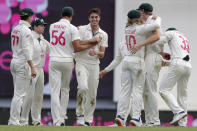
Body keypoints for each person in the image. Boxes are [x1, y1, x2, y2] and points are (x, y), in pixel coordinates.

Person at [100, 10, 160, 127]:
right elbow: (157, 26)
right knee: (137, 91)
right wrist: (155, 18)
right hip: (137, 62)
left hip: (126, 62)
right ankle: (136, 118)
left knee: (125, 92)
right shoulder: (140, 28)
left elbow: (118, 59)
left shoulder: (127, 29)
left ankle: (121, 117)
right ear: (138, 18)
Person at [49, 6, 101, 126]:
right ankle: (62, 117)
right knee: (65, 90)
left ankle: (57, 121)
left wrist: (90, 41)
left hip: (54, 60)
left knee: (55, 91)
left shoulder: (52, 26)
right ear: (71, 16)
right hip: (67, 60)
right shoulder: (72, 28)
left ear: (61, 15)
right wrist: (92, 42)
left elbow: (75, 44)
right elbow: (77, 47)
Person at [130, 3, 169, 126]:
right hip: (151, 56)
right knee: (146, 90)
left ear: (142, 11)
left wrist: (141, 45)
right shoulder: (147, 21)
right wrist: (162, 53)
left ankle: (155, 121)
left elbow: (157, 36)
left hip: (152, 57)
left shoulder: (152, 20)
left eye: (139, 12)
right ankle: (149, 120)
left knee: (150, 89)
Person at [75, 8, 108, 126]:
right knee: (83, 87)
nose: (94, 19)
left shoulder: (103, 34)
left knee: (92, 94)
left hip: (94, 65)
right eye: (92, 17)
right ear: (89, 18)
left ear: (99, 18)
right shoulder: (82, 29)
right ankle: (80, 114)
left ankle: (88, 120)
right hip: (81, 62)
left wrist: (97, 53)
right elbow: (77, 45)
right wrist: (92, 40)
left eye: (96, 17)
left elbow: (102, 54)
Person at [153, 28, 191, 126]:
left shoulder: (170, 33)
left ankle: (178, 111)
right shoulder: (183, 36)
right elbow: (182, 59)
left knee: (163, 90)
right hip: (188, 66)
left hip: (178, 64)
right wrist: (168, 64)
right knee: (183, 95)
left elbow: (159, 40)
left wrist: (158, 51)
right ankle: (183, 124)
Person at [8, 8, 36, 125]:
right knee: (20, 95)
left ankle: (13, 119)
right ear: (29, 17)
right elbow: (26, 50)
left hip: (14, 61)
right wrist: (32, 67)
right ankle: (13, 120)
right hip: (22, 63)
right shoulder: (27, 31)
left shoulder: (15, 28)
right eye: (32, 16)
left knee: (17, 94)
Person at [20, 18, 49, 126]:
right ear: (35, 27)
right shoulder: (30, 37)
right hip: (31, 68)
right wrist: (31, 68)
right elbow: (26, 53)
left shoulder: (42, 39)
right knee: (29, 96)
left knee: (38, 96)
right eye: (41, 25)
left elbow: (53, 49)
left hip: (40, 69)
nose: (43, 27)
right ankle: (23, 120)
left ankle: (36, 120)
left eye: (44, 25)